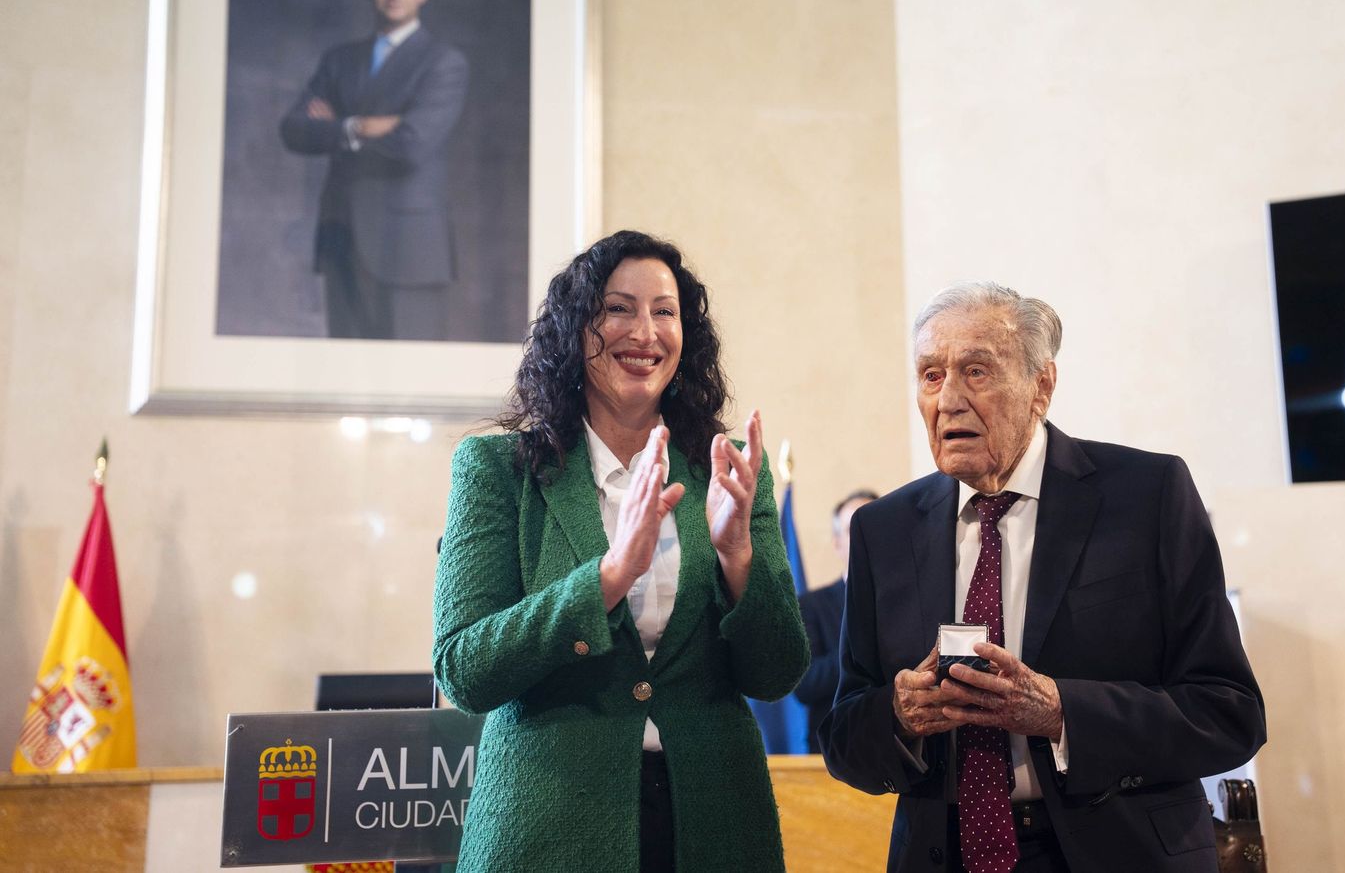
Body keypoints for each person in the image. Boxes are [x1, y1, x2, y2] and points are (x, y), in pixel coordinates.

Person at [819, 282, 1266, 873]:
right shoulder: (882, 529)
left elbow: (1229, 712)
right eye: (930, 375)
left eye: (976, 371)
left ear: (1042, 386)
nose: (948, 399)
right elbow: (844, 732)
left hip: (1120, 852)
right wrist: (898, 717)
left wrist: (1062, 713)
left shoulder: (1146, 496)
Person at [432, 230, 808, 873]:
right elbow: (464, 669)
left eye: (665, 312)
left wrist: (737, 556)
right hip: (547, 826)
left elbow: (777, 673)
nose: (646, 332)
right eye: (618, 308)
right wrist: (606, 579)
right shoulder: (499, 469)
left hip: (714, 822)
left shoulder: (730, 469)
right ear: (576, 330)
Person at [279, 0, 469, 341]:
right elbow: (294, 129)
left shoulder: (443, 62)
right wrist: (361, 126)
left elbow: (412, 144)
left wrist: (335, 128)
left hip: (409, 245)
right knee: (345, 377)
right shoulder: (339, 60)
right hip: (341, 235)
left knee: (412, 381)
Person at [793, 488, 878, 753]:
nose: (867, 538)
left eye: (875, 527)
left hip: (898, 748)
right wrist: (864, 644)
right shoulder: (811, 605)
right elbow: (805, 685)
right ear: (838, 542)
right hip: (834, 750)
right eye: (855, 530)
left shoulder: (912, 600)